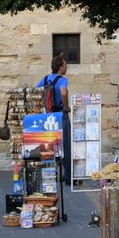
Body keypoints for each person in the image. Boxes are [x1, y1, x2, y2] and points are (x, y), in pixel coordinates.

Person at [37, 54, 72, 183]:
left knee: (51, 146)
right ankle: (68, 177)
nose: (66, 66)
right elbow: (63, 92)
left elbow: (36, 91)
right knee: (66, 145)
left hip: (48, 117)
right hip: (60, 115)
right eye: (65, 64)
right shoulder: (62, 80)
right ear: (60, 67)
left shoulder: (45, 79)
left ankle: (52, 175)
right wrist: (66, 106)